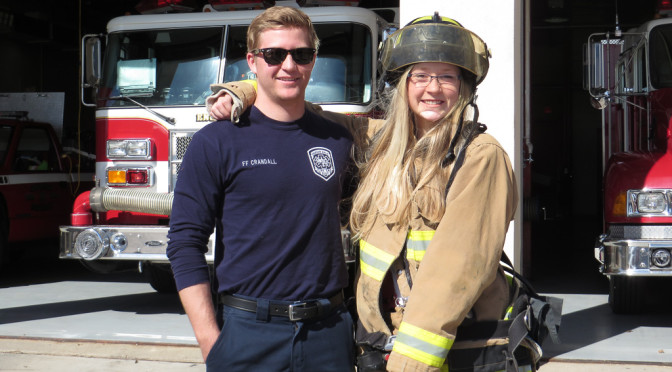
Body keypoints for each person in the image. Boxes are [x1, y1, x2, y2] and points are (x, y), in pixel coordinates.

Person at [209, 13, 533, 372]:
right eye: (420, 76)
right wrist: (246, 90)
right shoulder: (382, 142)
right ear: (403, 84)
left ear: (465, 87)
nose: (433, 88)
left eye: (447, 77)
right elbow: (297, 110)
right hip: (379, 348)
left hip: (440, 353)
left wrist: (410, 364)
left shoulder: (479, 156)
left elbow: (455, 272)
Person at [167, 6, 355, 372]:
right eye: (274, 54)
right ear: (251, 61)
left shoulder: (340, 139)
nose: (289, 65)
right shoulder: (216, 142)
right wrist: (212, 345)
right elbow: (184, 242)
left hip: (329, 333)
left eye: (301, 54)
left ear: (313, 60)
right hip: (249, 332)